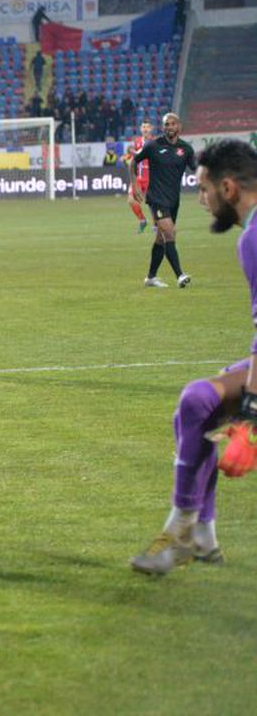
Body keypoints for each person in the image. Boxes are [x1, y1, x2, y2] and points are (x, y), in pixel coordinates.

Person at [129, 140, 257, 575]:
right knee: (199, 405)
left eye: (203, 189)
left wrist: (251, 415)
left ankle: (181, 532)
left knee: (197, 401)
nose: (201, 200)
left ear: (228, 188)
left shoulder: (254, 238)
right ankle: (201, 537)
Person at [133, 112, 196, 288]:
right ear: (163, 127)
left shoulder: (186, 149)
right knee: (169, 233)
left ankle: (151, 278)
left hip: (173, 200)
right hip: (156, 198)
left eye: (172, 124)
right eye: (166, 124)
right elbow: (134, 161)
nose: (169, 127)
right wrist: (135, 185)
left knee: (161, 239)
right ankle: (180, 275)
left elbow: (196, 169)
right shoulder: (153, 145)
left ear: (179, 126)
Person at [125, 119, 154, 233]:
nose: (145, 129)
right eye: (143, 127)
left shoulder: (155, 142)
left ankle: (156, 225)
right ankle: (142, 221)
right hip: (139, 178)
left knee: (152, 203)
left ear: (151, 129)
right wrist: (131, 154)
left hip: (151, 178)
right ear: (141, 129)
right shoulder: (137, 142)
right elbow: (135, 157)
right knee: (131, 200)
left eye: (147, 127)